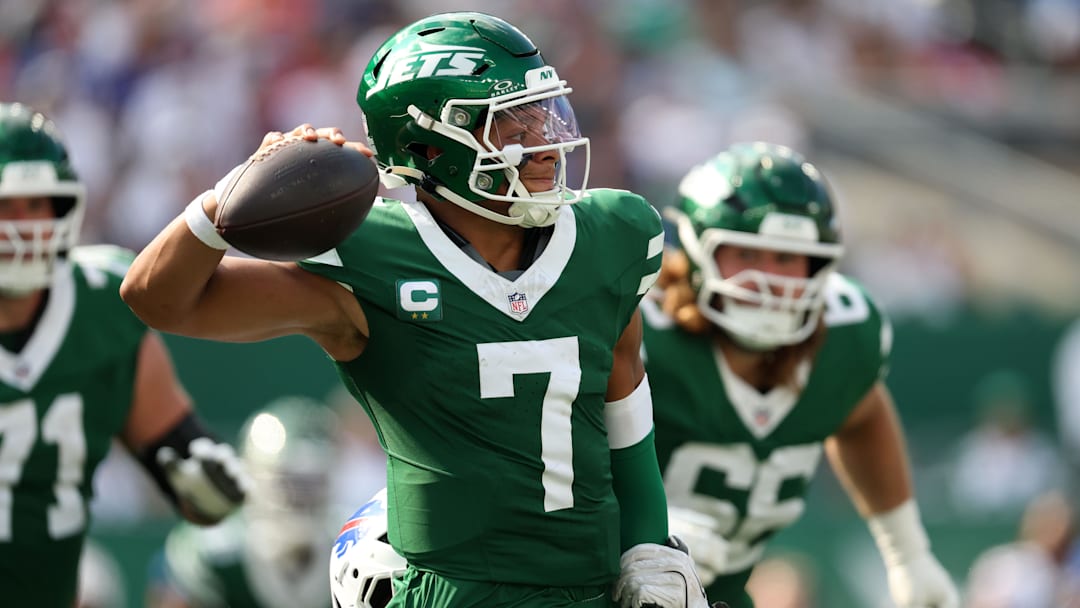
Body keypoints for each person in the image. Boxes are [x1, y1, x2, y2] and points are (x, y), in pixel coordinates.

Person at [120, 11, 712, 608]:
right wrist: (221, 205)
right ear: (429, 146)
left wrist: (649, 545)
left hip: (590, 588)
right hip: (454, 592)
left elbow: (625, 415)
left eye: (543, 113)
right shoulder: (370, 256)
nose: (545, 143)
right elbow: (156, 299)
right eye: (510, 124)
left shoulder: (610, 237)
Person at [641, 142, 959, 608]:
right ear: (693, 251)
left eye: (787, 258)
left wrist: (907, 552)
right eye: (747, 253)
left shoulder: (842, 336)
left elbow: (863, 413)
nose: (769, 280)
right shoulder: (641, 333)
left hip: (720, 596)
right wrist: (642, 530)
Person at [0, 102, 248, 607]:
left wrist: (206, 482)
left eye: (35, 204)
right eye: (4, 206)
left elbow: (189, 480)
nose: (20, 226)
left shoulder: (102, 311)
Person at [150, 396, 341, 608]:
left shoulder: (348, 548)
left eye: (314, 483)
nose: (303, 497)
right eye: (290, 482)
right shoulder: (213, 554)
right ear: (253, 474)